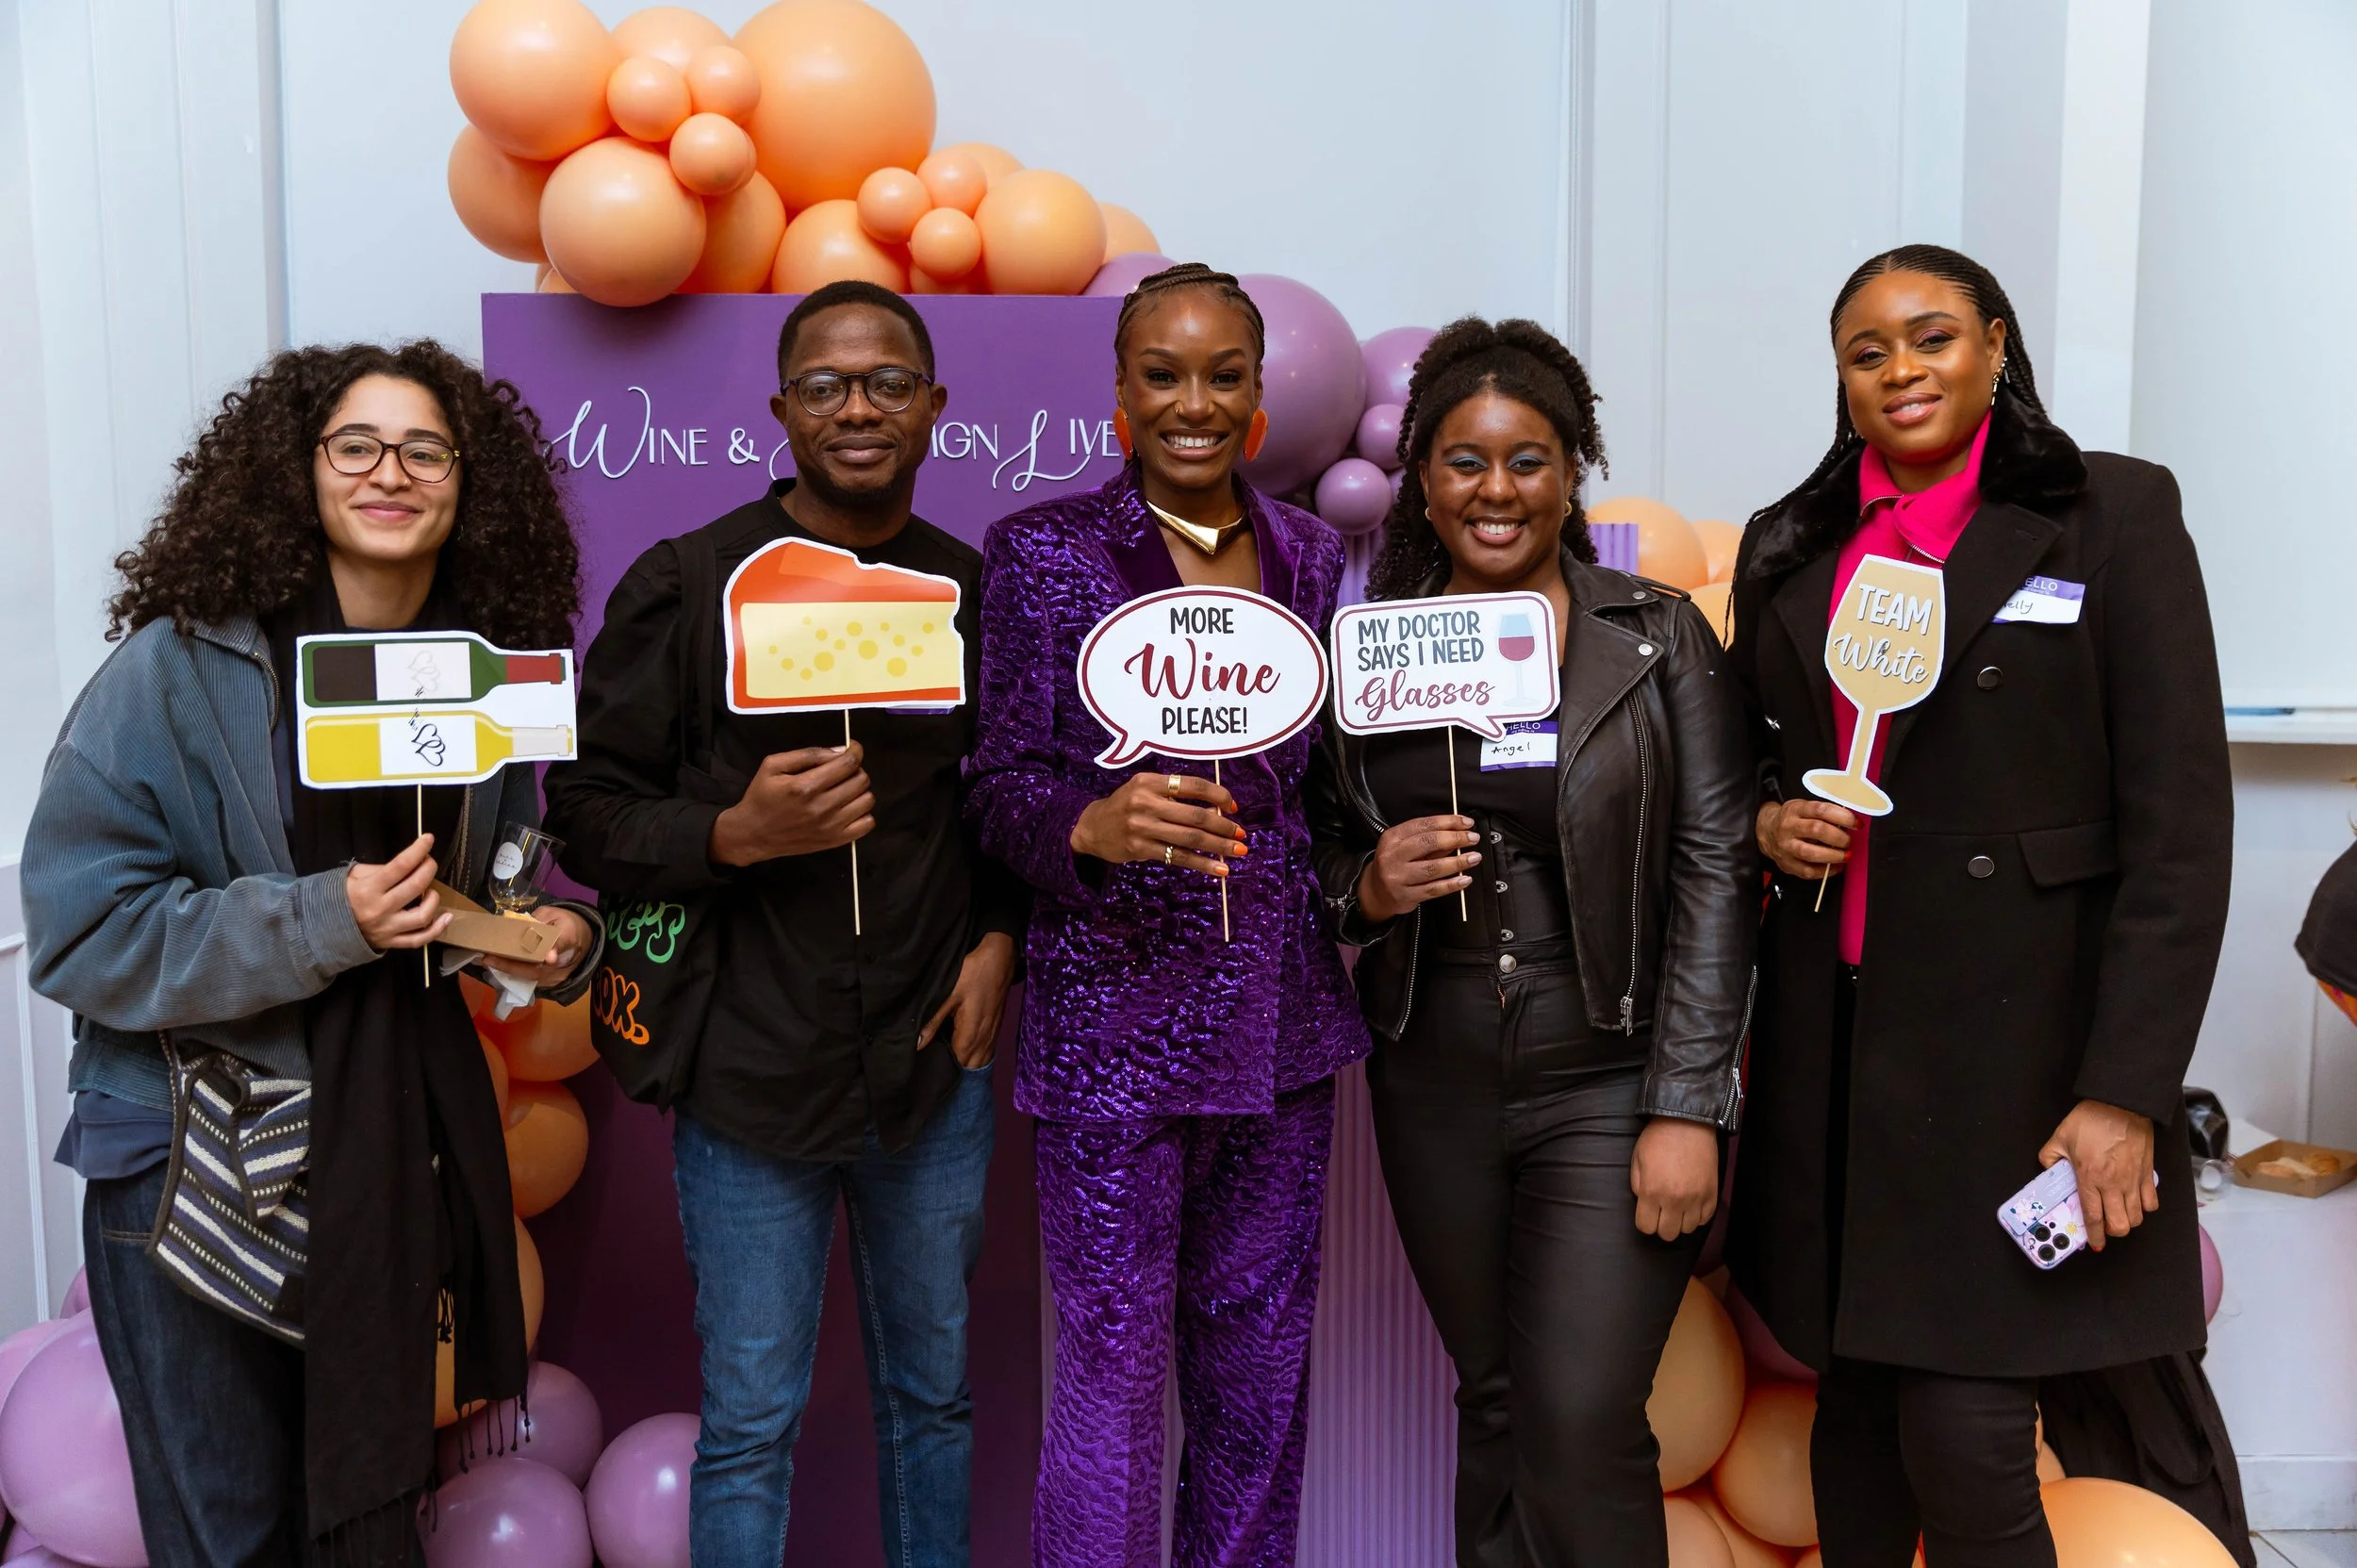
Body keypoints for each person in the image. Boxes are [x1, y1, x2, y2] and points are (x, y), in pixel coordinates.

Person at [22, 341, 598, 1566]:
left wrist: (542, 935)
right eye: (356, 444)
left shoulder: (478, 680)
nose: (391, 470)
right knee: (230, 1537)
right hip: (189, 1173)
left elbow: (492, 882)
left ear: (467, 482)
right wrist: (324, 918)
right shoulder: (176, 669)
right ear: (300, 470)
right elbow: (80, 928)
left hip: (383, 1160)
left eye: (425, 447)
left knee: (355, 1521)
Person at [1725, 244, 2234, 1568]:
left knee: (1967, 1438)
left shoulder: (2111, 515)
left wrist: (2126, 1090)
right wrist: (1773, 820)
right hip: (1837, 1069)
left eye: (1934, 336)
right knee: (1858, 1432)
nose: (1902, 369)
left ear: (1998, 347)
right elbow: (1736, 775)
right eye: (1868, 350)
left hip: (2021, 1069)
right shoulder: (1791, 551)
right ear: (1839, 381)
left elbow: (2181, 838)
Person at [542, 279, 1022, 1568]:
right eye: (823, 384)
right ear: (779, 412)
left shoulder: (976, 596)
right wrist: (730, 832)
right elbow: (580, 812)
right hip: (750, 1073)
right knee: (751, 1420)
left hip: (931, 1068)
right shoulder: (689, 581)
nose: (855, 408)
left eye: (883, 383)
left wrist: (998, 943)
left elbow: (1012, 807)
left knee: (936, 1399)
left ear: (932, 409)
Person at [1307, 318, 1755, 1566]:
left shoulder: (1659, 637)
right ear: (1423, 482)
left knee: (1579, 1414)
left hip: (1608, 1069)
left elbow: (1718, 867)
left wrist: (1686, 1104)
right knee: (1498, 1403)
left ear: (1572, 470)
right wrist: (1372, 888)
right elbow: (1319, 852)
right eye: (1463, 460)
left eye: (1528, 459)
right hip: (1433, 1069)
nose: (1495, 490)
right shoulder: (1373, 649)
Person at [965, 263, 1369, 1568]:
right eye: (1163, 374)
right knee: (1112, 1376)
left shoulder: (1312, 553)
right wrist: (1088, 821)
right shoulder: (1044, 552)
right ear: (1121, 394)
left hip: (1282, 1028)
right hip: (1112, 1025)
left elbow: (1322, 786)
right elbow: (997, 782)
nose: (1193, 402)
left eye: (1223, 375)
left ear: (1257, 396)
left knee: (1258, 1379)